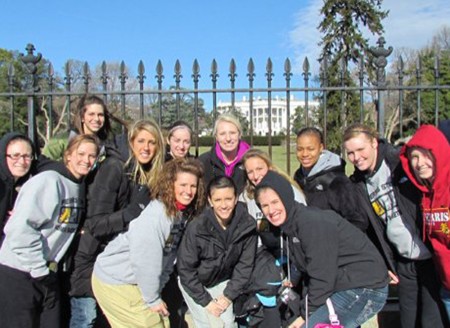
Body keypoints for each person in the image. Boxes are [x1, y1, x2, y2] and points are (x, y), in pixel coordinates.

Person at [343, 123, 449, 328]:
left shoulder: (399, 161)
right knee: (408, 321)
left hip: (429, 256)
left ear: (374, 143)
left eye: (360, 150)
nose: (356, 157)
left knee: (431, 321)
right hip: (403, 261)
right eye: (350, 153)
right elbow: (368, 228)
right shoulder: (358, 184)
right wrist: (383, 261)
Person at [255, 171, 389, 328]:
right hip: (341, 284)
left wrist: (305, 315)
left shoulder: (310, 222)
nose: (271, 210)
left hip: (364, 287)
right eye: (265, 205)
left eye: (275, 202)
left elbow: (322, 275)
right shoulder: (289, 227)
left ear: (286, 197)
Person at [68, 119, 165, 327]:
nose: (146, 148)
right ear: (131, 142)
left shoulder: (147, 173)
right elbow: (95, 224)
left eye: (152, 142)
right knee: (86, 319)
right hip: (92, 255)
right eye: (141, 141)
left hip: (119, 262)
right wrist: (131, 213)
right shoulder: (115, 168)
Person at [91, 158, 206, 328]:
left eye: (193, 186)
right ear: (170, 184)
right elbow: (145, 262)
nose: (188, 191)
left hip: (138, 282)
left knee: (163, 323)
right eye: (182, 185)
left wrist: (157, 290)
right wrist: (152, 299)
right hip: (117, 280)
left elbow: (169, 255)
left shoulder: (180, 215)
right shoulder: (156, 215)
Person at [0, 134, 100, 328]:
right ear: (68, 155)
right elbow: (18, 229)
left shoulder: (78, 186)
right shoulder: (49, 181)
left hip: (46, 274)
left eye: (92, 156)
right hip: (19, 271)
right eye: (81, 154)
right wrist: (39, 269)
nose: (86, 160)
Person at [177, 176, 257, 328]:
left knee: (228, 323)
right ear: (210, 201)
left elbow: (245, 266)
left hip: (222, 280)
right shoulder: (197, 228)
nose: (224, 205)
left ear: (235, 199)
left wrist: (228, 296)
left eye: (228, 199)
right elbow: (186, 270)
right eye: (218, 200)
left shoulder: (247, 225)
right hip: (195, 282)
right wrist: (206, 301)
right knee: (209, 323)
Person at [238, 149, 306, 327]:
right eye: (250, 171)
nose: (255, 175)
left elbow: (301, 228)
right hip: (264, 258)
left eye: (259, 168)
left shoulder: (288, 190)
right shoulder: (247, 197)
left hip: (291, 255)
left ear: (269, 166)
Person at [400, 124, 450, 319]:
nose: (420, 163)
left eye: (426, 155)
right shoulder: (426, 195)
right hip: (446, 287)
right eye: (414, 157)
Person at [293, 127, 366, 230]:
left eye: (310, 149)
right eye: (300, 149)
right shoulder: (299, 176)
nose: (305, 154)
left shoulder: (336, 180)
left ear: (321, 147)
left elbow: (357, 221)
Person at [43, 94, 127, 161]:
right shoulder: (63, 140)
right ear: (82, 118)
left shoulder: (108, 145)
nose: (97, 119)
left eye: (100, 115)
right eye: (91, 114)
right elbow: (44, 163)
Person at [199, 113, 250, 194]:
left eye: (232, 133)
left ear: (239, 134)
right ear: (216, 137)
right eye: (222, 134)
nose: (228, 138)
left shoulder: (251, 159)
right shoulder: (204, 161)